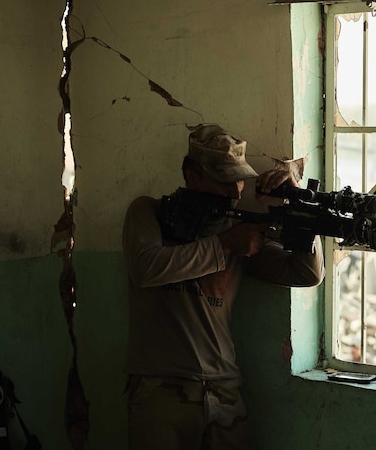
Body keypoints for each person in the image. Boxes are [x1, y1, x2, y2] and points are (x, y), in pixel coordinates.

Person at [121, 123, 324, 449]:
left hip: (224, 390)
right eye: (225, 180)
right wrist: (224, 246)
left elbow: (304, 273)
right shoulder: (149, 212)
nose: (236, 191)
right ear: (192, 175)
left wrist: (302, 213)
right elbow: (146, 268)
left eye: (240, 179)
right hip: (159, 389)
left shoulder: (236, 229)